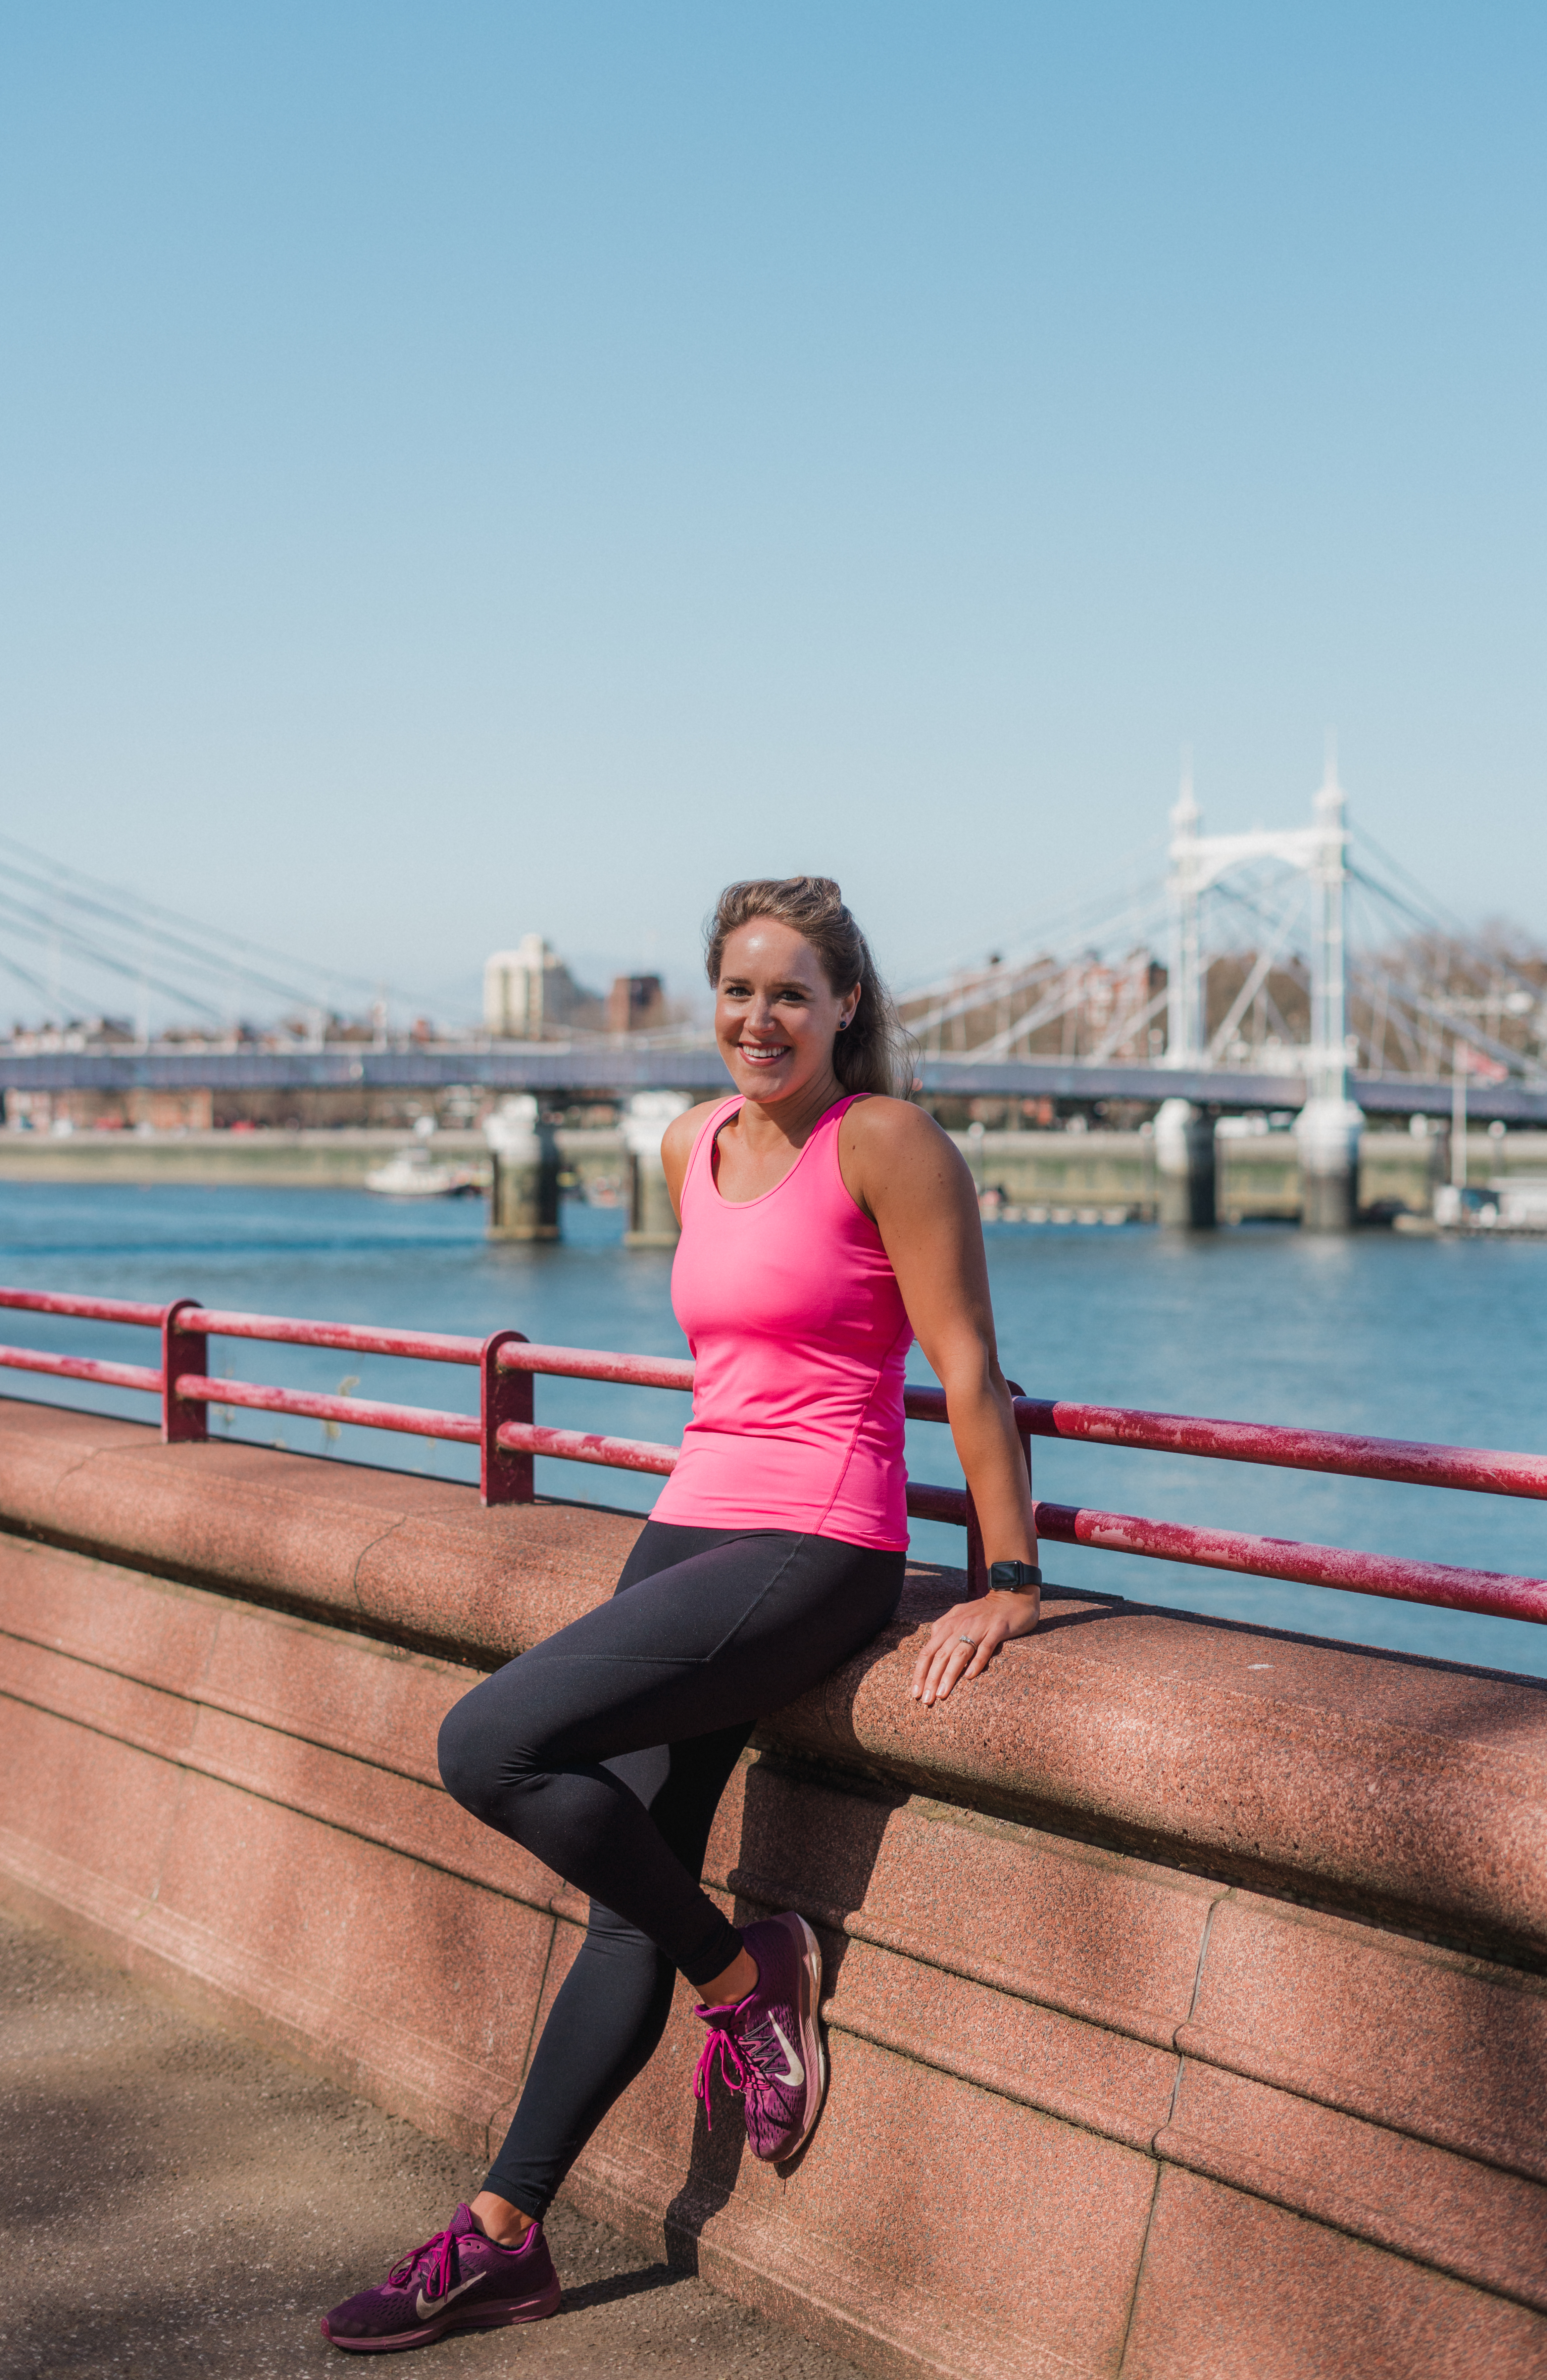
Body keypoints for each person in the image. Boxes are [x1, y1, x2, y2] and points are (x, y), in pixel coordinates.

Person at [322, 876, 1041, 2354]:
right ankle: (505, 2238)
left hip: (818, 1540)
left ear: (847, 1004)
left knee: (488, 1743)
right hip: (689, 1527)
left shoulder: (888, 1145)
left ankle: (741, 1977)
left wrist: (1009, 1580)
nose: (757, 1019)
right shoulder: (687, 1141)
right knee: (620, 1887)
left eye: (790, 992)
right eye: (735, 991)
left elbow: (967, 1368)